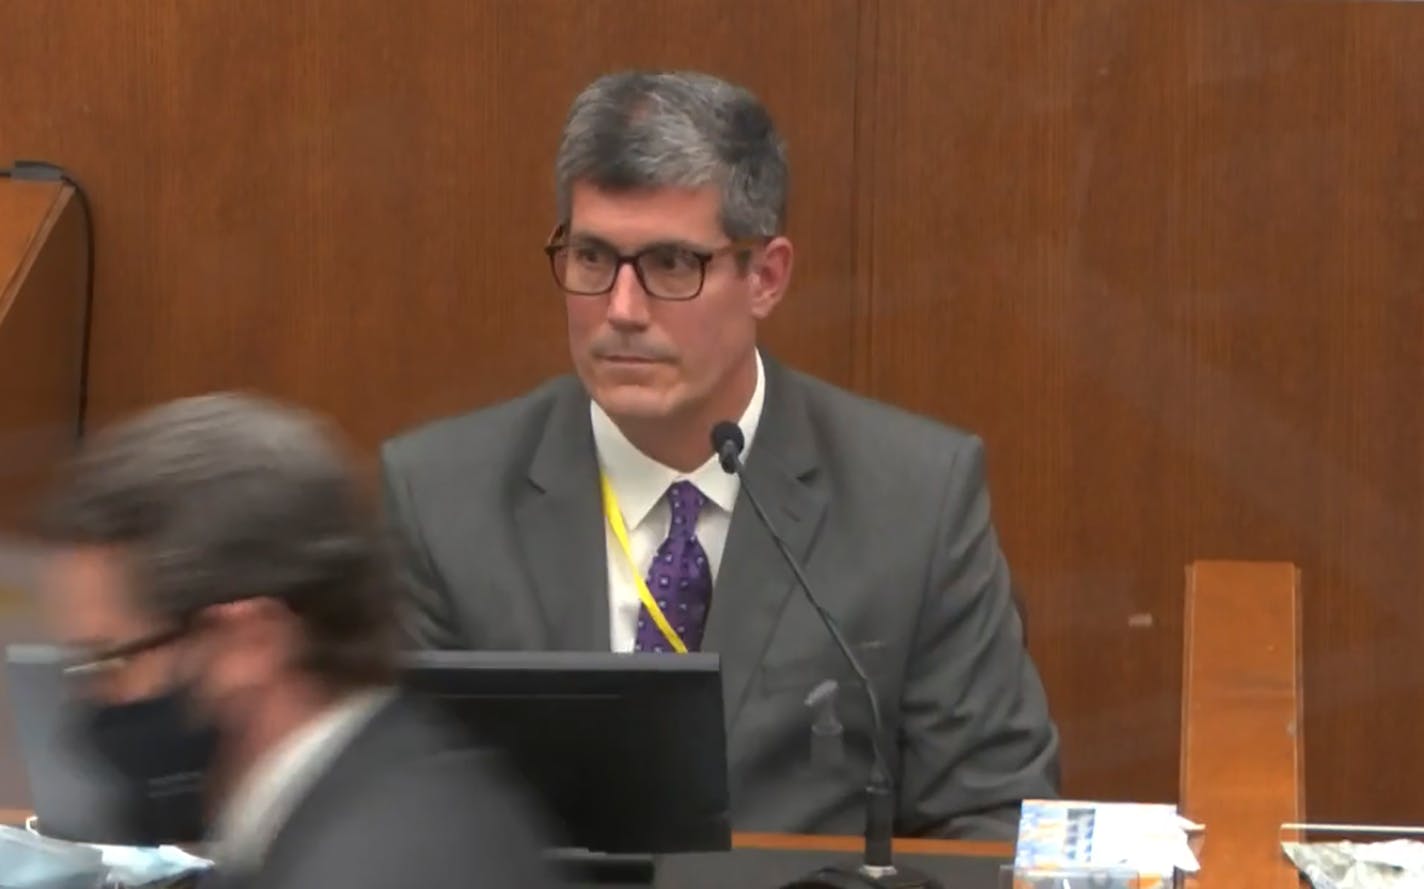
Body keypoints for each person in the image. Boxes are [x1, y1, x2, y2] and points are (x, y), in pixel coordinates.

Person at [380, 69, 1060, 840]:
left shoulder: (916, 501)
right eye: (593, 258)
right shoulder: (440, 499)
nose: (623, 311)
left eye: (673, 265)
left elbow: (991, 817)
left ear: (765, 277)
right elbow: (404, 818)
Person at [33, 393, 559, 889]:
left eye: (108, 662)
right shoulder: (387, 789)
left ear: (249, 642)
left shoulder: (371, 867)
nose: (90, 700)